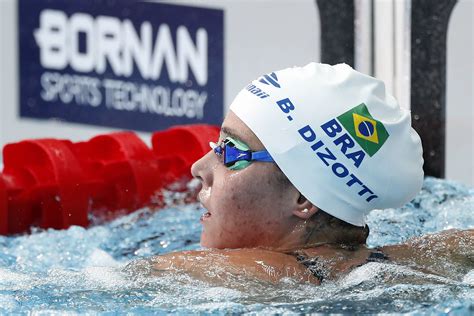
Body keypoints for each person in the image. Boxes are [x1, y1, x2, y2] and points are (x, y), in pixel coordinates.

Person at [129, 63, 473, 284]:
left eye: (231, 153)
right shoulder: (415, 261)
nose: (199, 167)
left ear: (303, 197)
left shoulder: (252, 275)